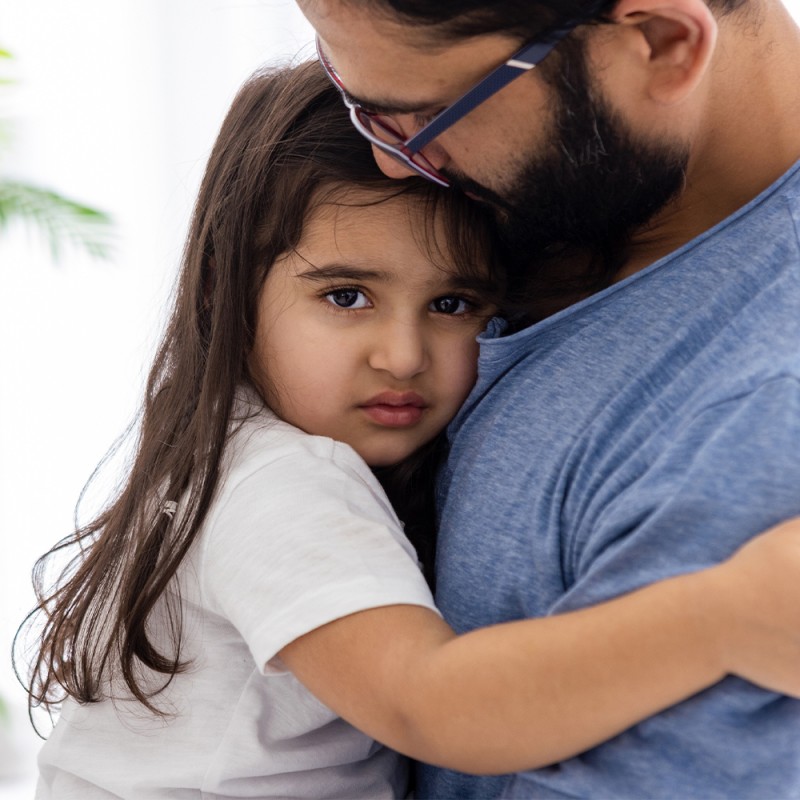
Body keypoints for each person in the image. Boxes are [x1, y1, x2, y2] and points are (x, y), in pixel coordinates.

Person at [19, 59, 800, 800]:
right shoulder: (283, 486)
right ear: (228, 291)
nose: (402, 356)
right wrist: (719, 619)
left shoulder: (237, 452)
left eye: (453, 305)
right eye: (347, 296)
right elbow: (430, 705)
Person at [296, 0, 800, 797]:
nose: (391, 164)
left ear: (661, 44)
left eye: (423, 115)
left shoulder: (757, 420)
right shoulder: (550, 194)